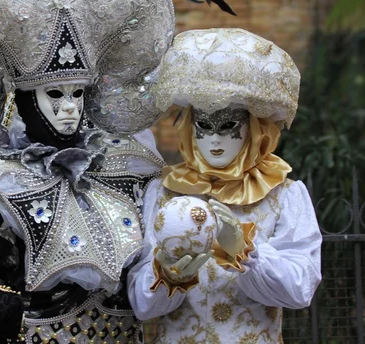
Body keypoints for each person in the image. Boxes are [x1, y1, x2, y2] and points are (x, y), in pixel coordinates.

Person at [0, 0, 177, 344]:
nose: (69, 108)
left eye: (77, 94)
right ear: (28, 101)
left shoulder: (127, 166)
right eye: (55, 95)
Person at [127, 28, 322, 343]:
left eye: (229, 126)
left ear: (255, 129)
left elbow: (300, 290)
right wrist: (168, 273)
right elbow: (142, 305)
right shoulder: (163, 192)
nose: (215, 139)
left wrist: (246, 253)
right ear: (190, 128)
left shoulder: (283, 195)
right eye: (203, 126)